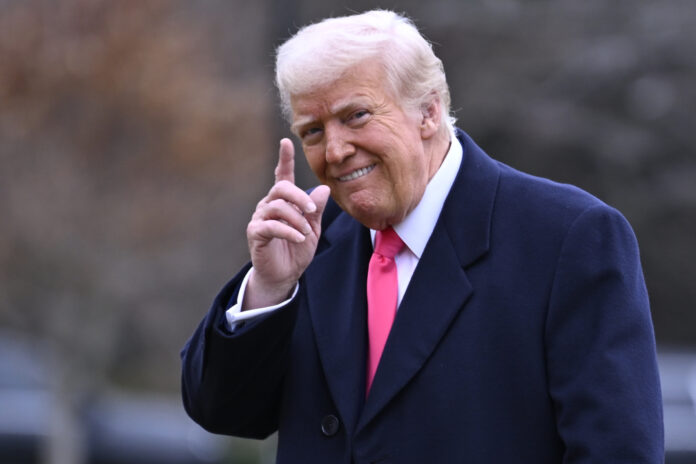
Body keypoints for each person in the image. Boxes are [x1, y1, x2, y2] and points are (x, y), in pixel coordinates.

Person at [181, 10, 663, 463]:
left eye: (356, 116)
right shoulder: (306, 243)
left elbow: (616, 451)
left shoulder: (568, 237)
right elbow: (221, 412)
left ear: (429, 112)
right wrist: (269, 290)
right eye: (312, 131)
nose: (335, 149)